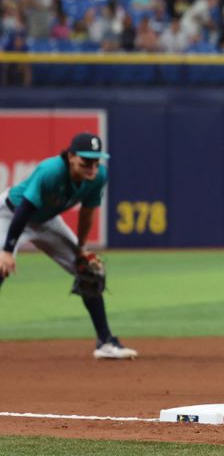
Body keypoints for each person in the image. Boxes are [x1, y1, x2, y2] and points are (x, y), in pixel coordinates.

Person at [0, 132, 138, 360]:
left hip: (47, 221)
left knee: (89, 271)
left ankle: (105, 342)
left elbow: (87, 213)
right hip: (11, 215)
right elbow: (24, 208)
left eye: (96, 161)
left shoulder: (98, 176)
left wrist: (81, 248)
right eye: (86, 162)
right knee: (0, 268)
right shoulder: (51, 171)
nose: (92, 167)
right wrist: (6, 251)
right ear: (71, 156)